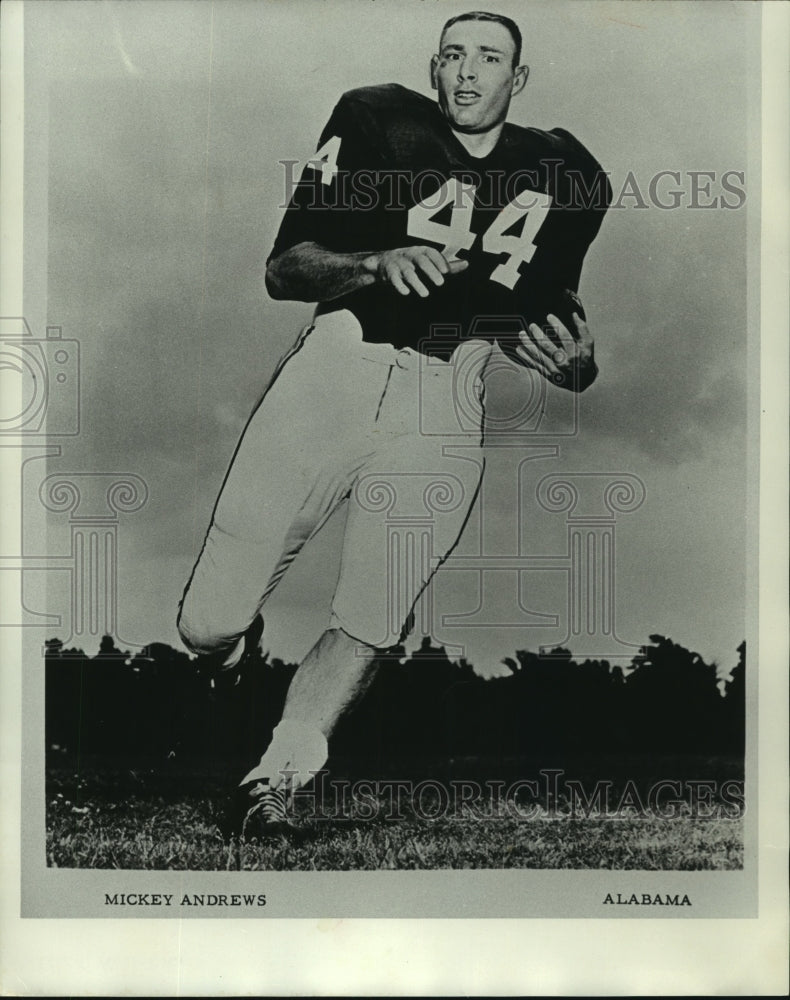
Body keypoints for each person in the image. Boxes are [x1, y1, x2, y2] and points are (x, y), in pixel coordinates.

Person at [177, 10, 611, 838]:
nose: (468, 73)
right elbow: (284, 268)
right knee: (207, 621)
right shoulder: (378, 121)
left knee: (375, 611)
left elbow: (541, 323)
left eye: (490, 58)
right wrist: (373, 260)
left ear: (519, 79)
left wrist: (578, 366)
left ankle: (280, 775)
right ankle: (228, 651)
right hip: (335, 373)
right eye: (453, 56)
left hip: (447, 396)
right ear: (433, 67)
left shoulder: (562, 170)